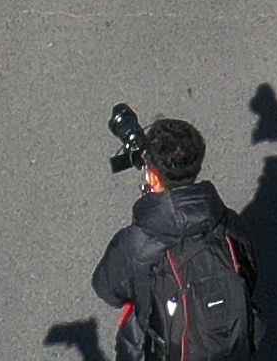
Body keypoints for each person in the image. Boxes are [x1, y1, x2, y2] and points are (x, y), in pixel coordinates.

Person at [93, 115, 255, 361]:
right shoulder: (226, 222)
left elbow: (107, 288)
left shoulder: (136, 244)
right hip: (230, 348)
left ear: (154, 177)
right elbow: (250, 271)